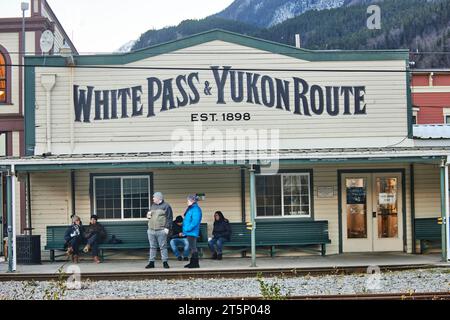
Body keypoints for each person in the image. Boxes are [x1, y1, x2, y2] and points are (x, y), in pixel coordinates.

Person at [146, 192, 173, 269]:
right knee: (152, 247)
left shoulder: (166, 206)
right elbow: (149, 216)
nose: (153, 199)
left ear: (159, 198)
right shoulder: (153, 206)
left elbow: (169, 218)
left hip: (161, 230)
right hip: (151, 230)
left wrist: (167, 228)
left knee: (163, 247)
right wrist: (148, 215)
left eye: (154, 197)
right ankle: (151, 262)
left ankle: (165, 262)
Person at [182, 194, 202, 268]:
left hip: (192, 231)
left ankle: (195, 263)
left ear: (192, 201)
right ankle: (192, 262)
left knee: (193, 247)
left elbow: (195, 222)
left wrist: (187, 228)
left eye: (188, 201)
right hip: (189, 231)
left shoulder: (196, 209)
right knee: (192, 247)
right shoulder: (191, 208)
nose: (187, 202)